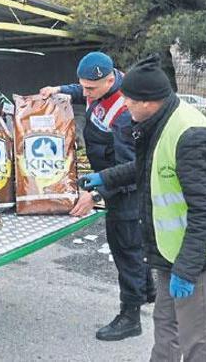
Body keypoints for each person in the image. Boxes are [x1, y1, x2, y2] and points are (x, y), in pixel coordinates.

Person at [79, 55, 206, 362]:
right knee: (166, 326)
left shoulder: (191, 136)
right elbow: (148, 165)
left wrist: (187, 269)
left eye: (128, 101)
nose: (124, 106)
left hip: (198, 257)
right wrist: (104, 177)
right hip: (171, 251)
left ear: (148, 102)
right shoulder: (159, 119)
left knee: (197, 338)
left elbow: (205, 211)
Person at [40, 51, 155, 341]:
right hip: (108, 177)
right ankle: (148, 290)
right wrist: (60, 91)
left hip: (125, 189)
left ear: (110, 79)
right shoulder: (99, 87)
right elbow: (81, 90)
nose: (86, 93)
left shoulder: (124, 112)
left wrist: (98, 193)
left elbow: (130, 168)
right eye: (83, 86)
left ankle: (130, 318)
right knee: (134, 248)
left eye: (91, 88)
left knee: (126, 248)